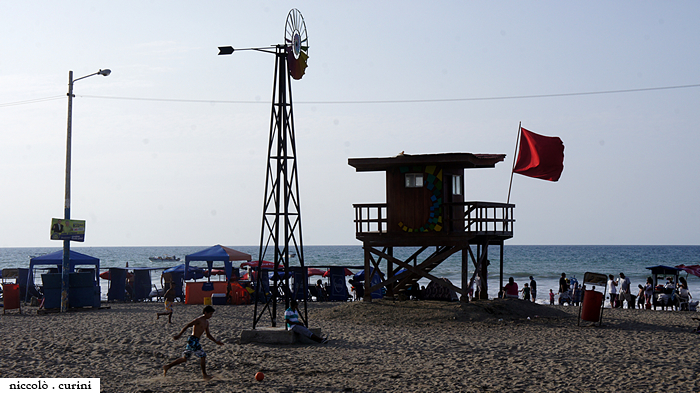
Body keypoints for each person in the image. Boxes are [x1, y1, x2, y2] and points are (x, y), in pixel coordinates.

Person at [163, 305, 224, 380]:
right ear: (205, 312)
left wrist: (216, 341)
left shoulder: (206, 322)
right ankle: (205, 375)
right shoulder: (199, 320)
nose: (211, 316)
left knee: (184, 358)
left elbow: (208, 335)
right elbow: (188, 325)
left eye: (212, 314)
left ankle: (167, 366)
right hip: (193, 340)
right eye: (210, 314)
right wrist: (179, 335)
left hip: (194, 340)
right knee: (203, 356)